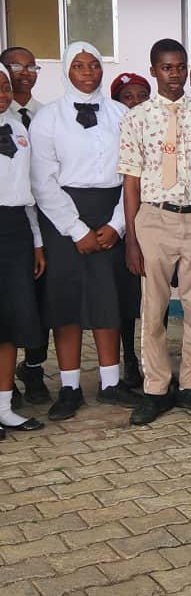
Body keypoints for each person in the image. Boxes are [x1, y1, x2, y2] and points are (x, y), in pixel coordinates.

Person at [29, 43, 141, 421]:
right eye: (79, 65)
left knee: (109, 297)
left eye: (94, 64)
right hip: (63, 216)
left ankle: (110, 383)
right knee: (68, 303)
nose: (89, 72)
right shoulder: (48, 118)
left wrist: (117, 224)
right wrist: (76, 229)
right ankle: (70, 387)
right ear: (67, 71)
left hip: (112, 210)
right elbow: (42, 180)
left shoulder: (122, 114)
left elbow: (133, 173)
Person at [118, 38, 191, 425]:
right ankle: (156, 389)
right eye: (167, 68)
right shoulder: (136, 118)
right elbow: (131, 182)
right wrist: (132, 239)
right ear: (153, 70)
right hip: (155, 219)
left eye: (180, 67)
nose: (175, 74)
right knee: (153, 310)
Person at [0, 62, 46, 437]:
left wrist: (37, 242)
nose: (2, 94)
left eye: (4, 87)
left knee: (11, 323)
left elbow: (28, 192)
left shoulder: (19, 129)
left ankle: (4, 408)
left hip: (15, 230)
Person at [108, 72, 151, 389]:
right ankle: (130, 359)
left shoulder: (156, 126)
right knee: (126, 297)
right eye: (128, 97)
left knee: (153, 299)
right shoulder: (111, 131)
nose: (135, 102)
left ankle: (152, 360)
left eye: (141, 96)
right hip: (121, 221)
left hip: (155, 220)